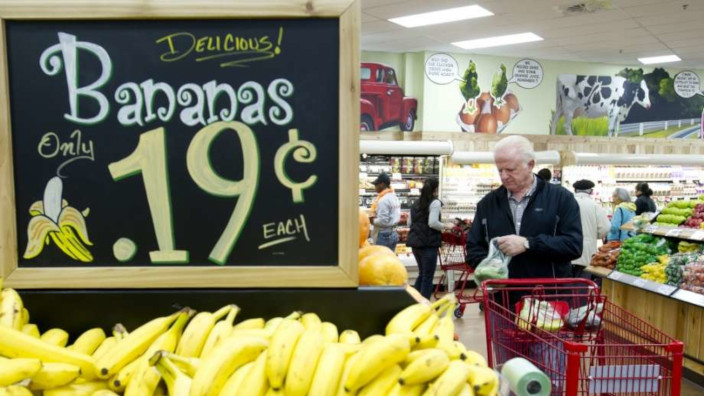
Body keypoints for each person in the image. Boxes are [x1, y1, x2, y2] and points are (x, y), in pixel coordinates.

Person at [466, 135, 583, 281]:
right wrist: (490, 268)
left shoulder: (561, 198)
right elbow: (473, 248)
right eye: (500, 170)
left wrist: (528, 244)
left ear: (530, 165)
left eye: (510, 170)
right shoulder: (487, 204)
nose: (504, 176)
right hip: (502, 298)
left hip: (547, 298)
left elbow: (573, 245)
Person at [406, 178, 452, 299]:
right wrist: (446, 226)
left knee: (422, 274)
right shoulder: (435, 202)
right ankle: (424, 305)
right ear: (436, 188)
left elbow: (409, 223)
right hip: (428, 244)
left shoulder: (415, 202)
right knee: (427, 276)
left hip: (415, 243)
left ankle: (413, 301)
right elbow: (433, 223)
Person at [572, 179, 611, 278]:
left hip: (565, 251)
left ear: (575, 190)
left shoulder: (566, 202)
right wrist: (594, 235)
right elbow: (605, 228)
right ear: (591, 191)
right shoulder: (595, 206)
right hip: (586, 252)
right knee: (582, 285)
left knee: (563, 285)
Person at [370, 172, 401, 252]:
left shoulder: (383, 200)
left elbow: (383, 221)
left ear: (382, 184)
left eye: (376, 184)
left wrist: (372, 220)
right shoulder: (394, 197)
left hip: (384, 235)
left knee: (381, 260)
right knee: (390, 260)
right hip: (393, 233)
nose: (375, 187)